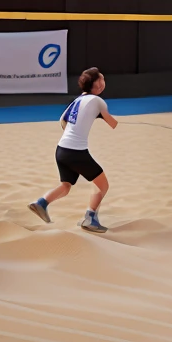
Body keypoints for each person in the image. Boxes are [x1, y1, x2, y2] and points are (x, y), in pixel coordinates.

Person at [29, 66, 116, 232]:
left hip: (61, 150)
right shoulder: (98, 101)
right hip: (76, 152)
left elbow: (62, 120)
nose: (104, 82)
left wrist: (74, 131)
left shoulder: (76, 101)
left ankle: (42, 203)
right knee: (102, 185)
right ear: (96, 84)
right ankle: (90, 218)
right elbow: (113, 124)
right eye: (102, 79)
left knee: (66, 186)